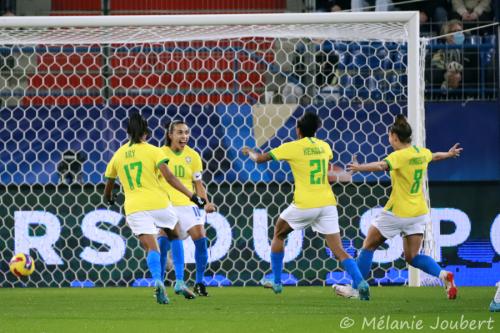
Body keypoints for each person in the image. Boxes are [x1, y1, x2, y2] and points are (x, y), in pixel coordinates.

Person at [241, 112, 370, 300]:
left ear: (298, 130)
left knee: (279, 233)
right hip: (327, 203)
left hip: (305, 204)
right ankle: (360, 282)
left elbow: (260, 159)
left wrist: (249, 152)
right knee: (339, 250)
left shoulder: (292, 147)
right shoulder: (325, 147)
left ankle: (276, 281)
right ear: (316, 130)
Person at [334, 115, 462, 300]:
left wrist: (359, 167)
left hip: (397, 212)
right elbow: (434, 156)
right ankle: (443, 275)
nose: (389, 139)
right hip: (418, 213)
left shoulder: (398, 156)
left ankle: (355, 289)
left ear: (394, 136)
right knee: (412, 257)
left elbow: (381, 165)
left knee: (368, 246)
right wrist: (449, 154)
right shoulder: (421, 152)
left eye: (389, 136)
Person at [103, 113, 206, 304]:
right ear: (146, 134)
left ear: (128, 132)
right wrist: (193, 196)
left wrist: (109, 198)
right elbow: (170, 178)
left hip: (134, 206)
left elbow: (109, 182)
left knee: (152, 246)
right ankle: (180, 281)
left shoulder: (118, 154)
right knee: (174, 235)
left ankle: (158, 280)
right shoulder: (154, 151)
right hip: (158, 203)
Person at [157, 120, 216, 298]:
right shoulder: (160, 154)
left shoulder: (194, 156)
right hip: (167, 204)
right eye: (180, 133)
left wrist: (205, 202)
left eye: (186, 132)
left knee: (201, 238)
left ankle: (199, 282)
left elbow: (198, 183)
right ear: (170, 135)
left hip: (189, 204)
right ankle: (159, 284)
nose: (184, 136)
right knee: (163, 242)